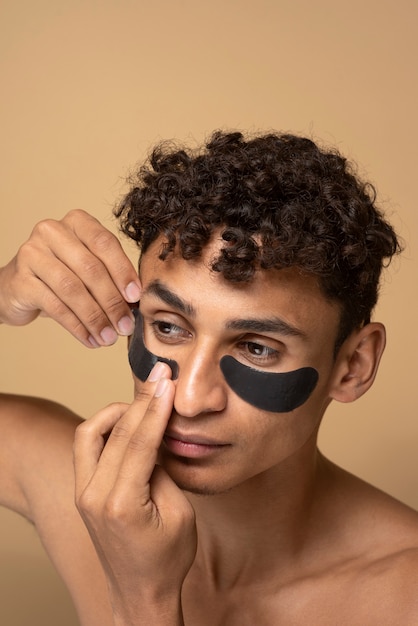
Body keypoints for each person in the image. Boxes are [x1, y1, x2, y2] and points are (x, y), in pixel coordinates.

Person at [1, 130, 417, 626]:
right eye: (169, 327)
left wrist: (144, 600)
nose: (192, 399)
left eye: (258, 348)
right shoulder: (77, 485)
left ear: (354, 365)